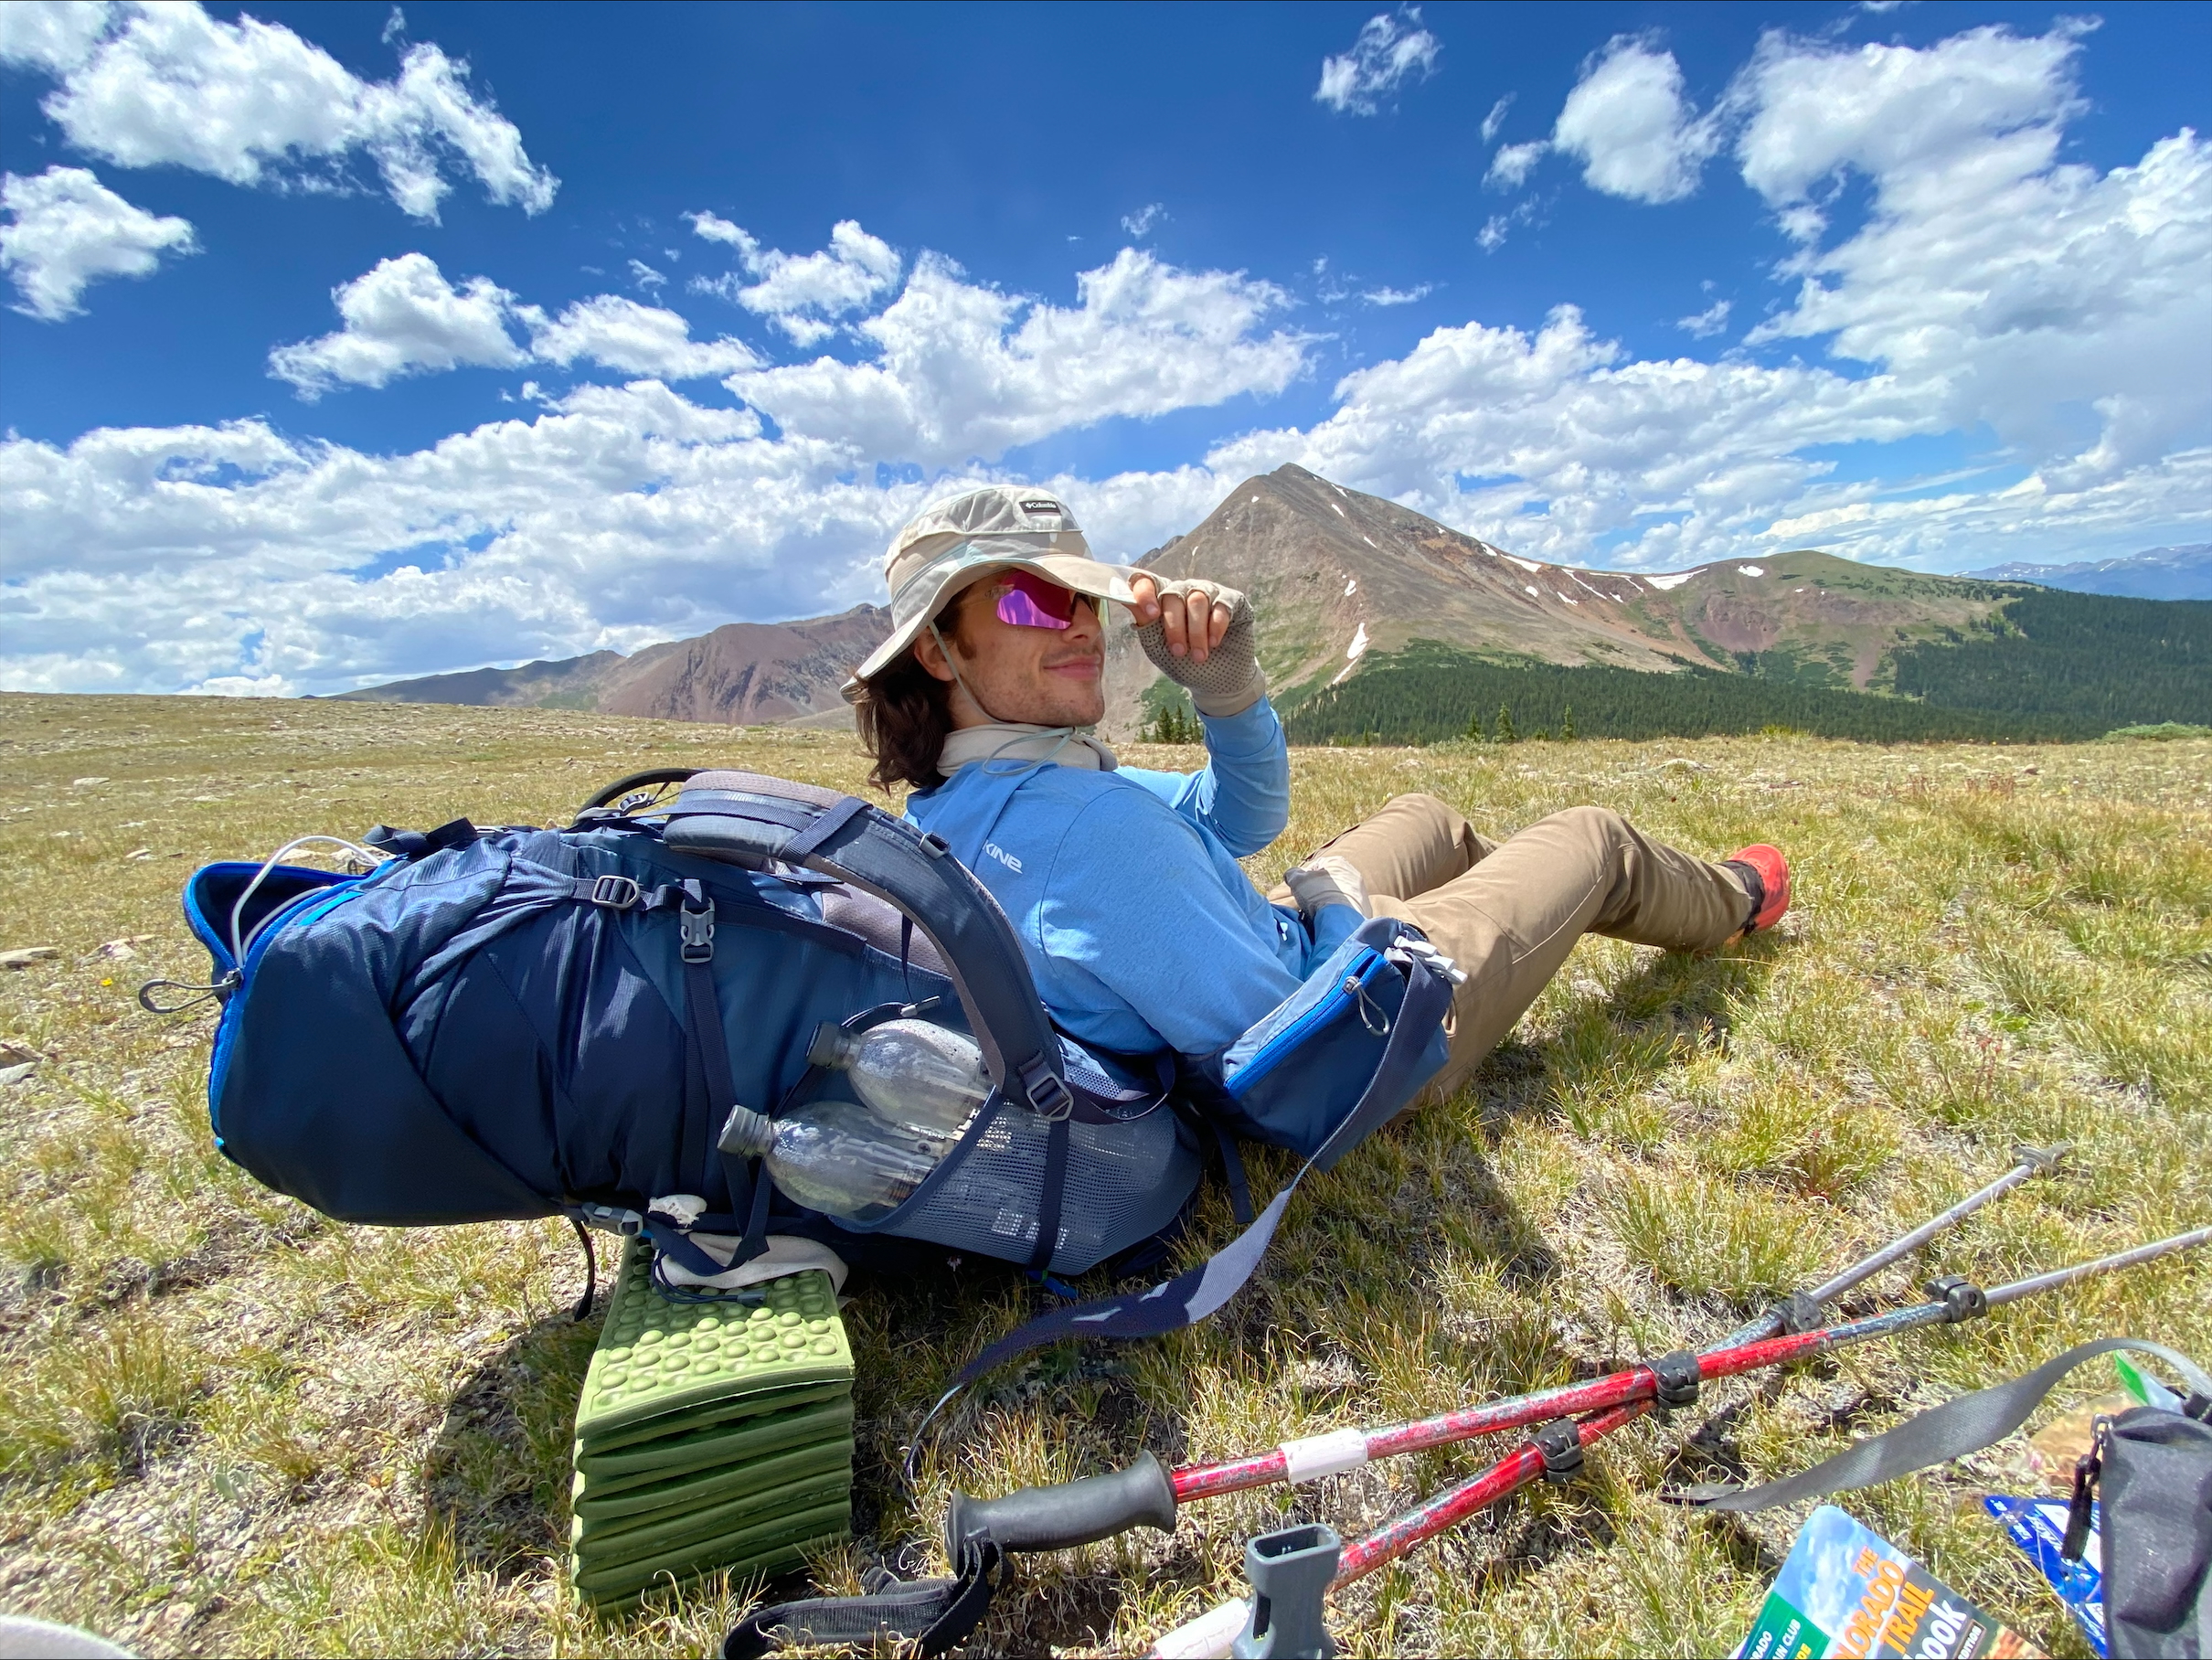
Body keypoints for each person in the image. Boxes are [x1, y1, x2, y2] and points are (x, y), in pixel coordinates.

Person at [844, 484, 1790, 1096]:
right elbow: (1288, 1035)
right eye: (1029, 599)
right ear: (934, 648)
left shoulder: (979, 795)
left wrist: (1226, 695)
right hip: (1361, 1036)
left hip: (1267, 940)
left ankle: (1518, 925)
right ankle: (1733, 902)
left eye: (1080, 597)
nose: (1082, 626)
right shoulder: (1085, 830)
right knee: (1593, 839)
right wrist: (1351, 916)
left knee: (1427, 817)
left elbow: (1240, 818)